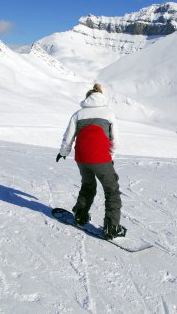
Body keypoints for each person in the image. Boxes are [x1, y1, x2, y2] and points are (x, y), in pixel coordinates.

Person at [56, 83, 126, 240]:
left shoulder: (78, 114)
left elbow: (68, 138)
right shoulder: (108, 113)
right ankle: (112, 228)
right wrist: (110, 157)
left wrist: (63, 153)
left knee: (88, 186)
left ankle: (80, 215)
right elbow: (115, 140)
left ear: (87, 98)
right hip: (101, 158)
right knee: (111, 190)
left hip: (82, 158)